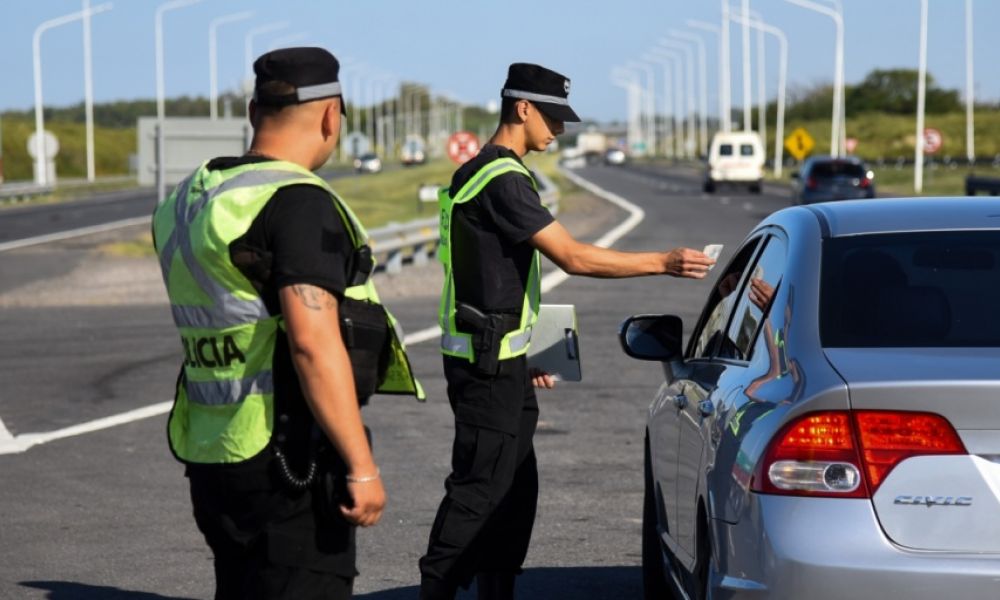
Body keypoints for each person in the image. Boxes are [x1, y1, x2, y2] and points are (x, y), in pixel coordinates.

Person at [418, 62, 715, 600]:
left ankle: (494, 590)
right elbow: (574, 257)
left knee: (513, 490)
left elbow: (487, 277)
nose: (558, 129)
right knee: (479, 491)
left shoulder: (483, 172)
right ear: (522, 108)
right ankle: (436, 587)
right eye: (551, 117)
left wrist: (521, 353)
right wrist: (664, 262)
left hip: (497, 358)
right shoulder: (502, 178)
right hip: (485, 365)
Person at [152, 47, 422, 600]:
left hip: (212, 449)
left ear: (254, 113)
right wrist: (361, 465)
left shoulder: (188, 201)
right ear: (331, 116)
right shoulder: (295, 201)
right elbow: (311, 344)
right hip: (287, 456)